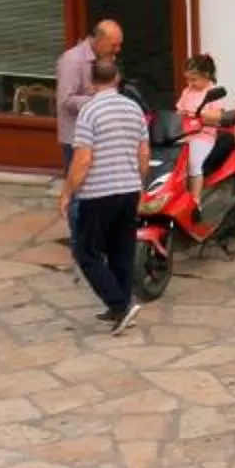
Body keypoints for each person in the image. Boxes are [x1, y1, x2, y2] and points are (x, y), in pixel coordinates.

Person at [61, 58, 150, 333]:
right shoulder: (134, 108)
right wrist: (140, 183)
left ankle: (120, 306)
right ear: (117, 78)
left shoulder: (89, 111)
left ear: (91, 81)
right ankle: (120, 306)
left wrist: (67, 193)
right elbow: (144, 152)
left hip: (99, 193)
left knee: (85, 251)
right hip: (128, 189)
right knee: (121, 250)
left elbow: (83, 159)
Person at [53, 17, 121, 211]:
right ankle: (78, 230)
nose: (117, 50)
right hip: (77, 139)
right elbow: (66, 101)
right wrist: (100, 100)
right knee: (79, 194)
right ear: (98, 40)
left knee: (98, 194)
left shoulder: (106, 58)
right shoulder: (72, 60)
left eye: (119, 45)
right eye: (113, 45)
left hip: (102, 136)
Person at [173, 55, 229, 207]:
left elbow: (218, 116)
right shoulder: (187, 91)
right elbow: (179, 110)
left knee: (193, 162)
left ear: (206, 75)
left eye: (194, 79)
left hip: (203, 136)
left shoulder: (212, 92)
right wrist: (180, 114)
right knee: (174, 162)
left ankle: (195, 201)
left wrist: (200, 113)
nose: (190, 83)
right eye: (188, 79)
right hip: (185, 134)